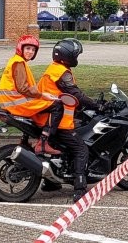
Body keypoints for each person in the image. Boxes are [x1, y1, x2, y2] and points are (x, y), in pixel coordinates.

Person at [37, 39, 100, 202]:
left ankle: (51, 182)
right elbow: (76, 94)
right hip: (59, 122)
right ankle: (80, 190)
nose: (76, 58)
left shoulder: (53, 68)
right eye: (75, 55)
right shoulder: (62, 72)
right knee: (81, 149)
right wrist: (96, 104)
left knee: (62, 148)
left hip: (44, 116)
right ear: (68, 56)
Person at [0, 35, 62, 154]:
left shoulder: (15, 60)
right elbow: (23, 88)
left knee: (41, 109)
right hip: (16, 102)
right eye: (28, 48)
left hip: (10, 101)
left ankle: (24, 142)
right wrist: (43, 95)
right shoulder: (19, 62)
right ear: (20, 48)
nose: (30, 52)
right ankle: (43, 143)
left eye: (33, 50)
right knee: (57, 106)